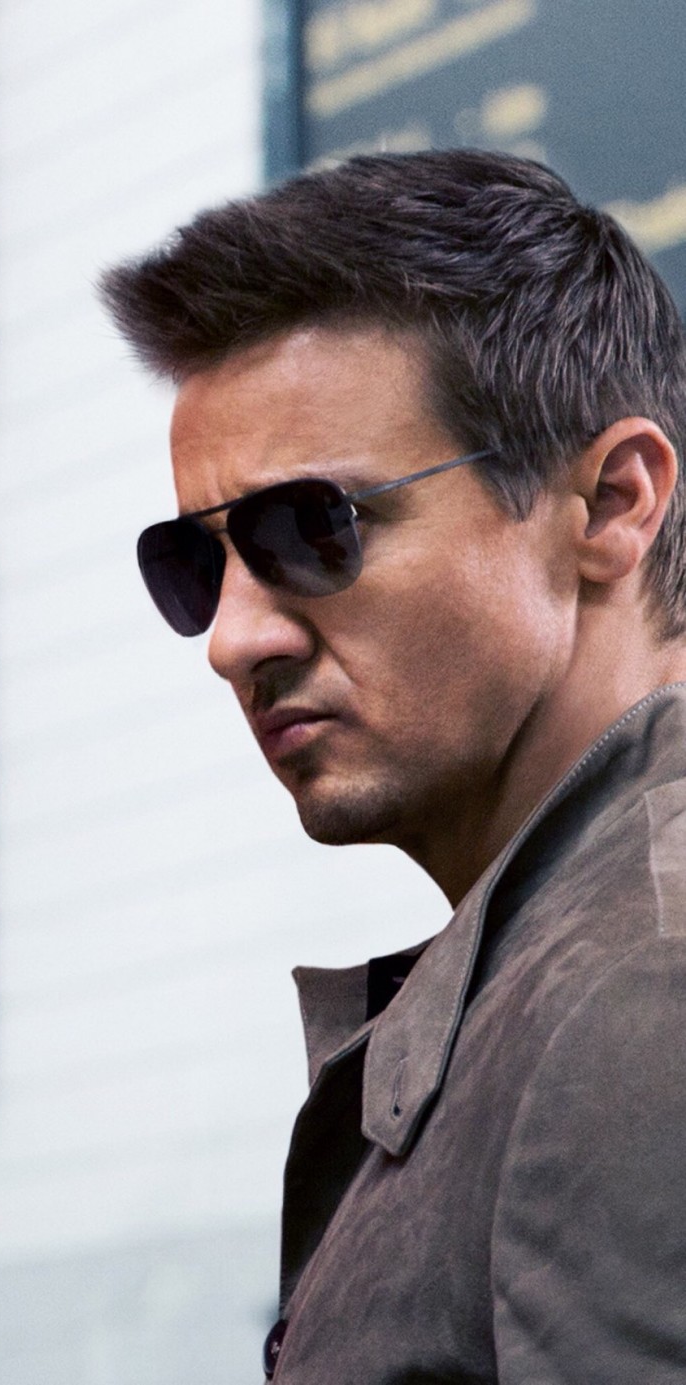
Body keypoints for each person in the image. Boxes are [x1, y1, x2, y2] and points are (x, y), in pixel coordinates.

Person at [100, 149, 686, 1383]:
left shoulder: (646, 989)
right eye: (196, 564)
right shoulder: (574, 964)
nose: (231, 639)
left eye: (315, 526)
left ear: (611, 502)